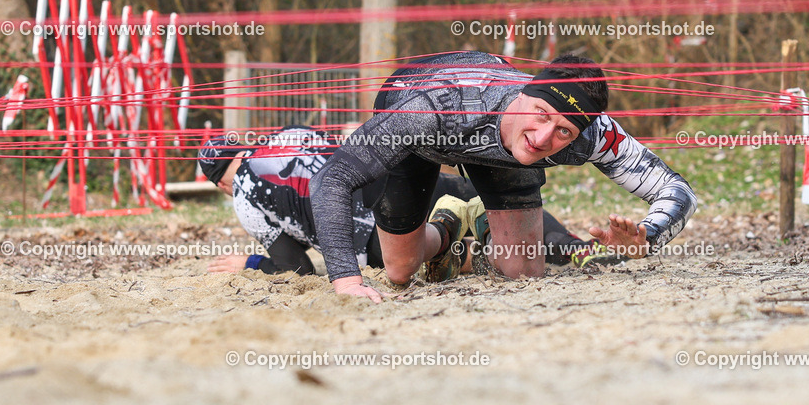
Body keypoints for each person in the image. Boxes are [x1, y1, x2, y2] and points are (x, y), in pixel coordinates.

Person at [309, 51, 698, 302]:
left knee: (524, 272)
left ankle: (476, 227)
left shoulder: (594, 134)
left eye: (564, 132)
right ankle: (446, 230)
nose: (543, 138)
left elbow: (677, 189)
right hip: (419, 126)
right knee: (400, 270)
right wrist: (346, 282)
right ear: (524, 95)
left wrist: (649, 235)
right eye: (542, 115)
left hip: (498, 146)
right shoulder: (436, 108)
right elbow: (333, 179)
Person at [197, 126, 616, 277]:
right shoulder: (288, 135)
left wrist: (253, 264)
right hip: (401, 185)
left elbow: (298, 267)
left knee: (455, 252)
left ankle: (480, 249)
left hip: (379, 236)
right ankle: (578, 248)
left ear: (220, 185)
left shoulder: (245, 200)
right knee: (503, 204)